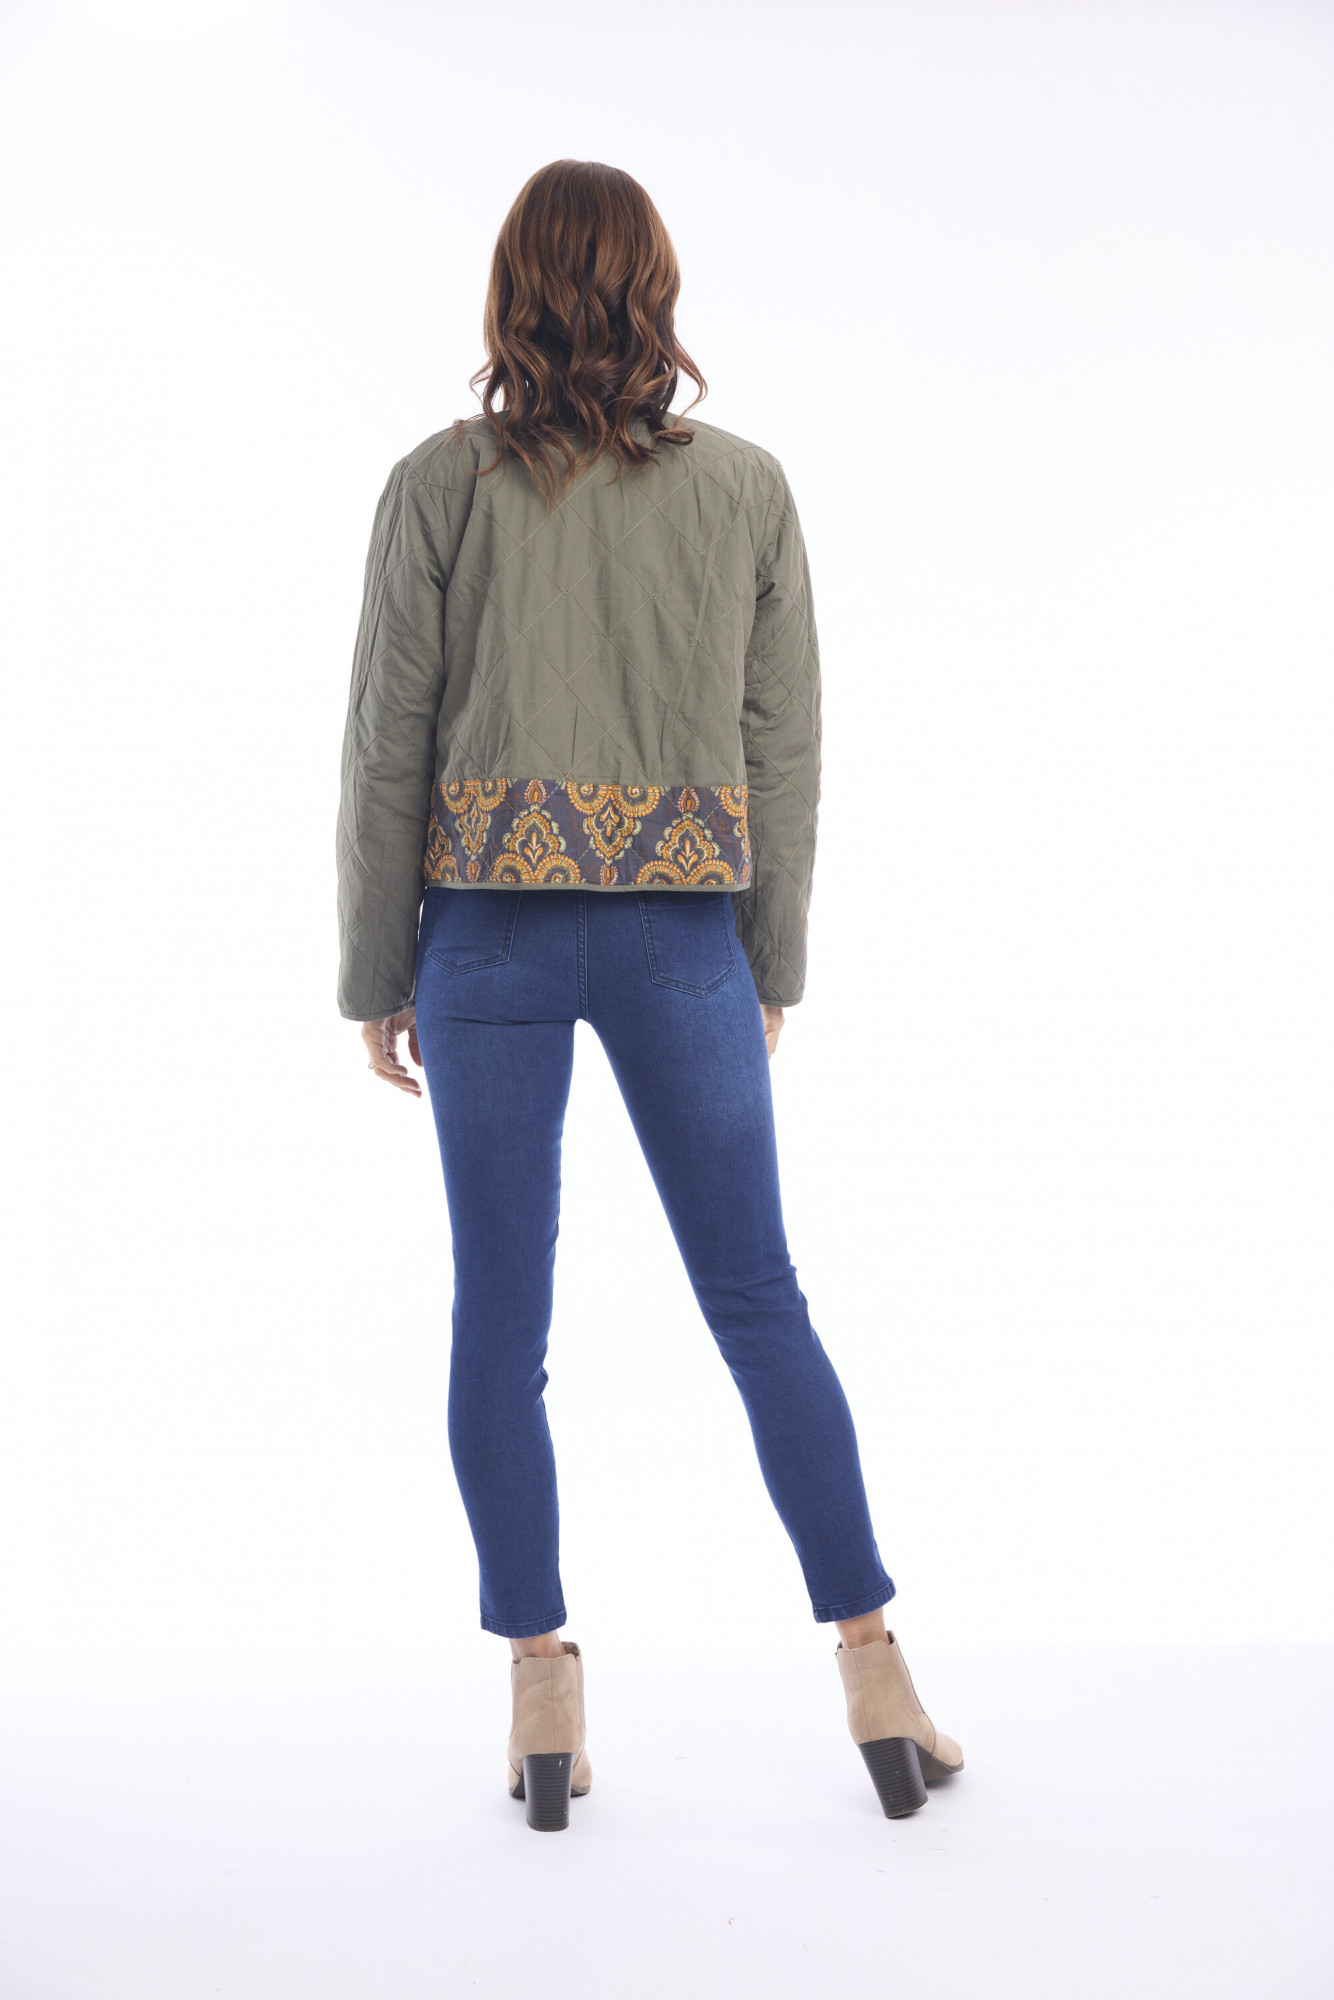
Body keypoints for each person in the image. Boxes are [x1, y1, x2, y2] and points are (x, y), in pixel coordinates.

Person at [335, 157, 962, 1832]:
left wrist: (374, 971)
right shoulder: (743, 487)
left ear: (509, 293)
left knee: (498, 1321)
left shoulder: (437, 485)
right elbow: (783, 748)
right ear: (655, 292)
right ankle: (873, 1667)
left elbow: (387, 741)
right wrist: (772, 961)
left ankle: (540, 1693)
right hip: (682, 936)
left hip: (485, 937)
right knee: (758, 1299)